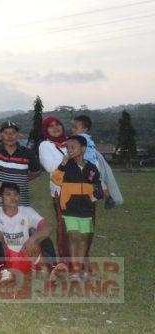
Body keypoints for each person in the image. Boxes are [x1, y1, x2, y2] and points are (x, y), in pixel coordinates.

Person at [0, 181, 63, 284]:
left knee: (43, 236)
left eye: (15, 194)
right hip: (5, 258)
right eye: (8, 194)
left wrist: (33, 239)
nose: (13, 197)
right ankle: (4, 272)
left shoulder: (27, 211)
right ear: (0, 199)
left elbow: (48, 227)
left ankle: (53, 269)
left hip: (25, 254)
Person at [51, 136, 103, 280]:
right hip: (70, 208)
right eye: (67, 147)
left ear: (83, 148)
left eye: (73, 146)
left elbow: (97, 185)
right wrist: (63, 163)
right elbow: (56, 179)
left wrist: (95, 196)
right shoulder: (66, 165)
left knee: (84, 239)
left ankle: (81, 270)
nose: (69, 150)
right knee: (73, 237)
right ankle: (74, 271)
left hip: (86, 210)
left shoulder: (91, 168)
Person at [0, 121, 40, 207]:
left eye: (13, 133)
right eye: (6, 133)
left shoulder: (28, 153)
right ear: (1, 135)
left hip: (20, 203)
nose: (10, 136)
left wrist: (21, 179)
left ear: (18, 135)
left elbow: (36, 172)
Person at [72, 115, 121, 208]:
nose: (73, 129)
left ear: (85, 129)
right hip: (95, 164)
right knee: (98, 181)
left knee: (89, 183)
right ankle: (108, 198)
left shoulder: (79, 138)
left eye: (75, 127)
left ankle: (95, 197)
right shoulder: (89, 139)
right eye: (72, 127)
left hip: (88, 165)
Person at [38, 116, 69, 257]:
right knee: (64, 227)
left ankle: (81, 260)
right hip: (61, 192)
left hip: (81, 190)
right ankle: (65, 260)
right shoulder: (45, 145)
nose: (55, 128)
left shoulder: (71, 142)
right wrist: (69, 161)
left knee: (83, 227)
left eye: (58, 124)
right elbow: (50, 167)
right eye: (51, 126)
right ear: (46, 130)